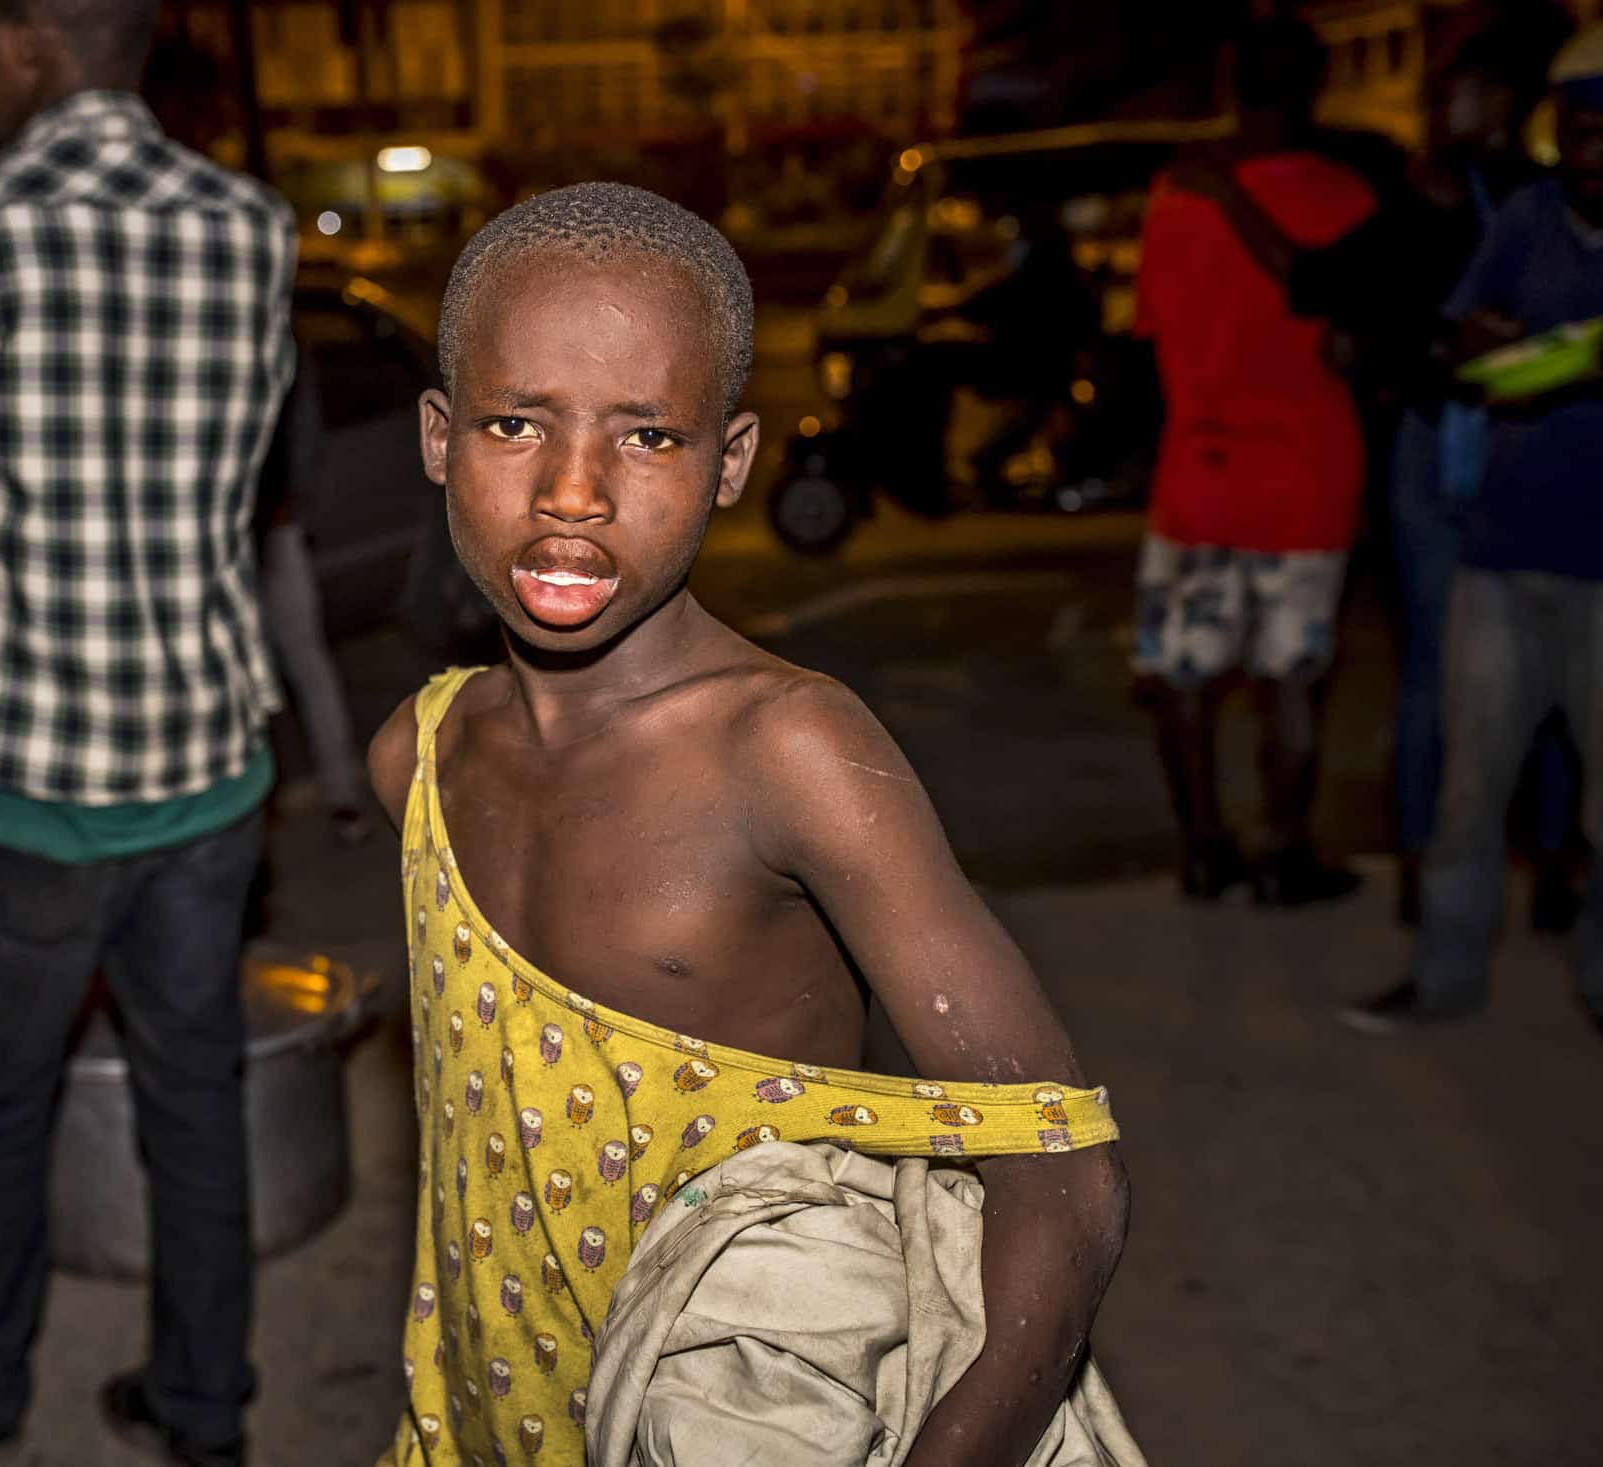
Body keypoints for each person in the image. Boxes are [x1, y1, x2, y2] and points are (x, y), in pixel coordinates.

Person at [366, 183, 1130, 1467]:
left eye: (647, 438)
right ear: (440, 436)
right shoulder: (420, 758)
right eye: (514, 423)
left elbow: (1062, 1173)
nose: (572, 491)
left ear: (729, 462)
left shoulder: (789, 753)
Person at [0, 1, 293, 1460]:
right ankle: (206, 1409)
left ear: (32, 39)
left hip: (23, 778)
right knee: (195, 1104)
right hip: (210, 760)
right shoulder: (252, 224)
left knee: (2, 1099)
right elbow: (250, 458)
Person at [1169, 15, 1581, 930]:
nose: (1437, 107)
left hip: (1368, 453)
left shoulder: (1433, 199)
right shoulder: (1437, 195)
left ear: (1499, 100)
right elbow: (1331, 297)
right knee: (1507, 666)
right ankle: (1526, 863)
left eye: (1451, 91)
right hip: (1424, 454)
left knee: (1440, 668)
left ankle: (1418, 869)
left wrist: (1231, 200)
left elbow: (1309, 287)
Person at [1344, 29, 1603, 1035]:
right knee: (1467, 786)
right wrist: (1480, 342)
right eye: (1579, 131)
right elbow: (1456, 336)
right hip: (1496, 551)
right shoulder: (1529, 217)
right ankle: (1444, 977)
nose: (1592, 154)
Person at [1130, 17, 1376, 907]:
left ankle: (1202, 849)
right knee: (1293, 681)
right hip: (1309, 477)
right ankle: (1285, 856)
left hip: (1201, 475)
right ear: (1314, 88)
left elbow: (1154, 329)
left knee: (1184, 678)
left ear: (1231, 79)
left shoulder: (1179, 197)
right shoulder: (1348, 195)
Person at [255, 342, 372, 843]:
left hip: (275, 530)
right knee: (244, 677)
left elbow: (304, 429)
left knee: (307, 663)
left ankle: (342, 793)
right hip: (219, 536)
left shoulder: (281, 342)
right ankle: (258, 803)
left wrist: (290, 499)